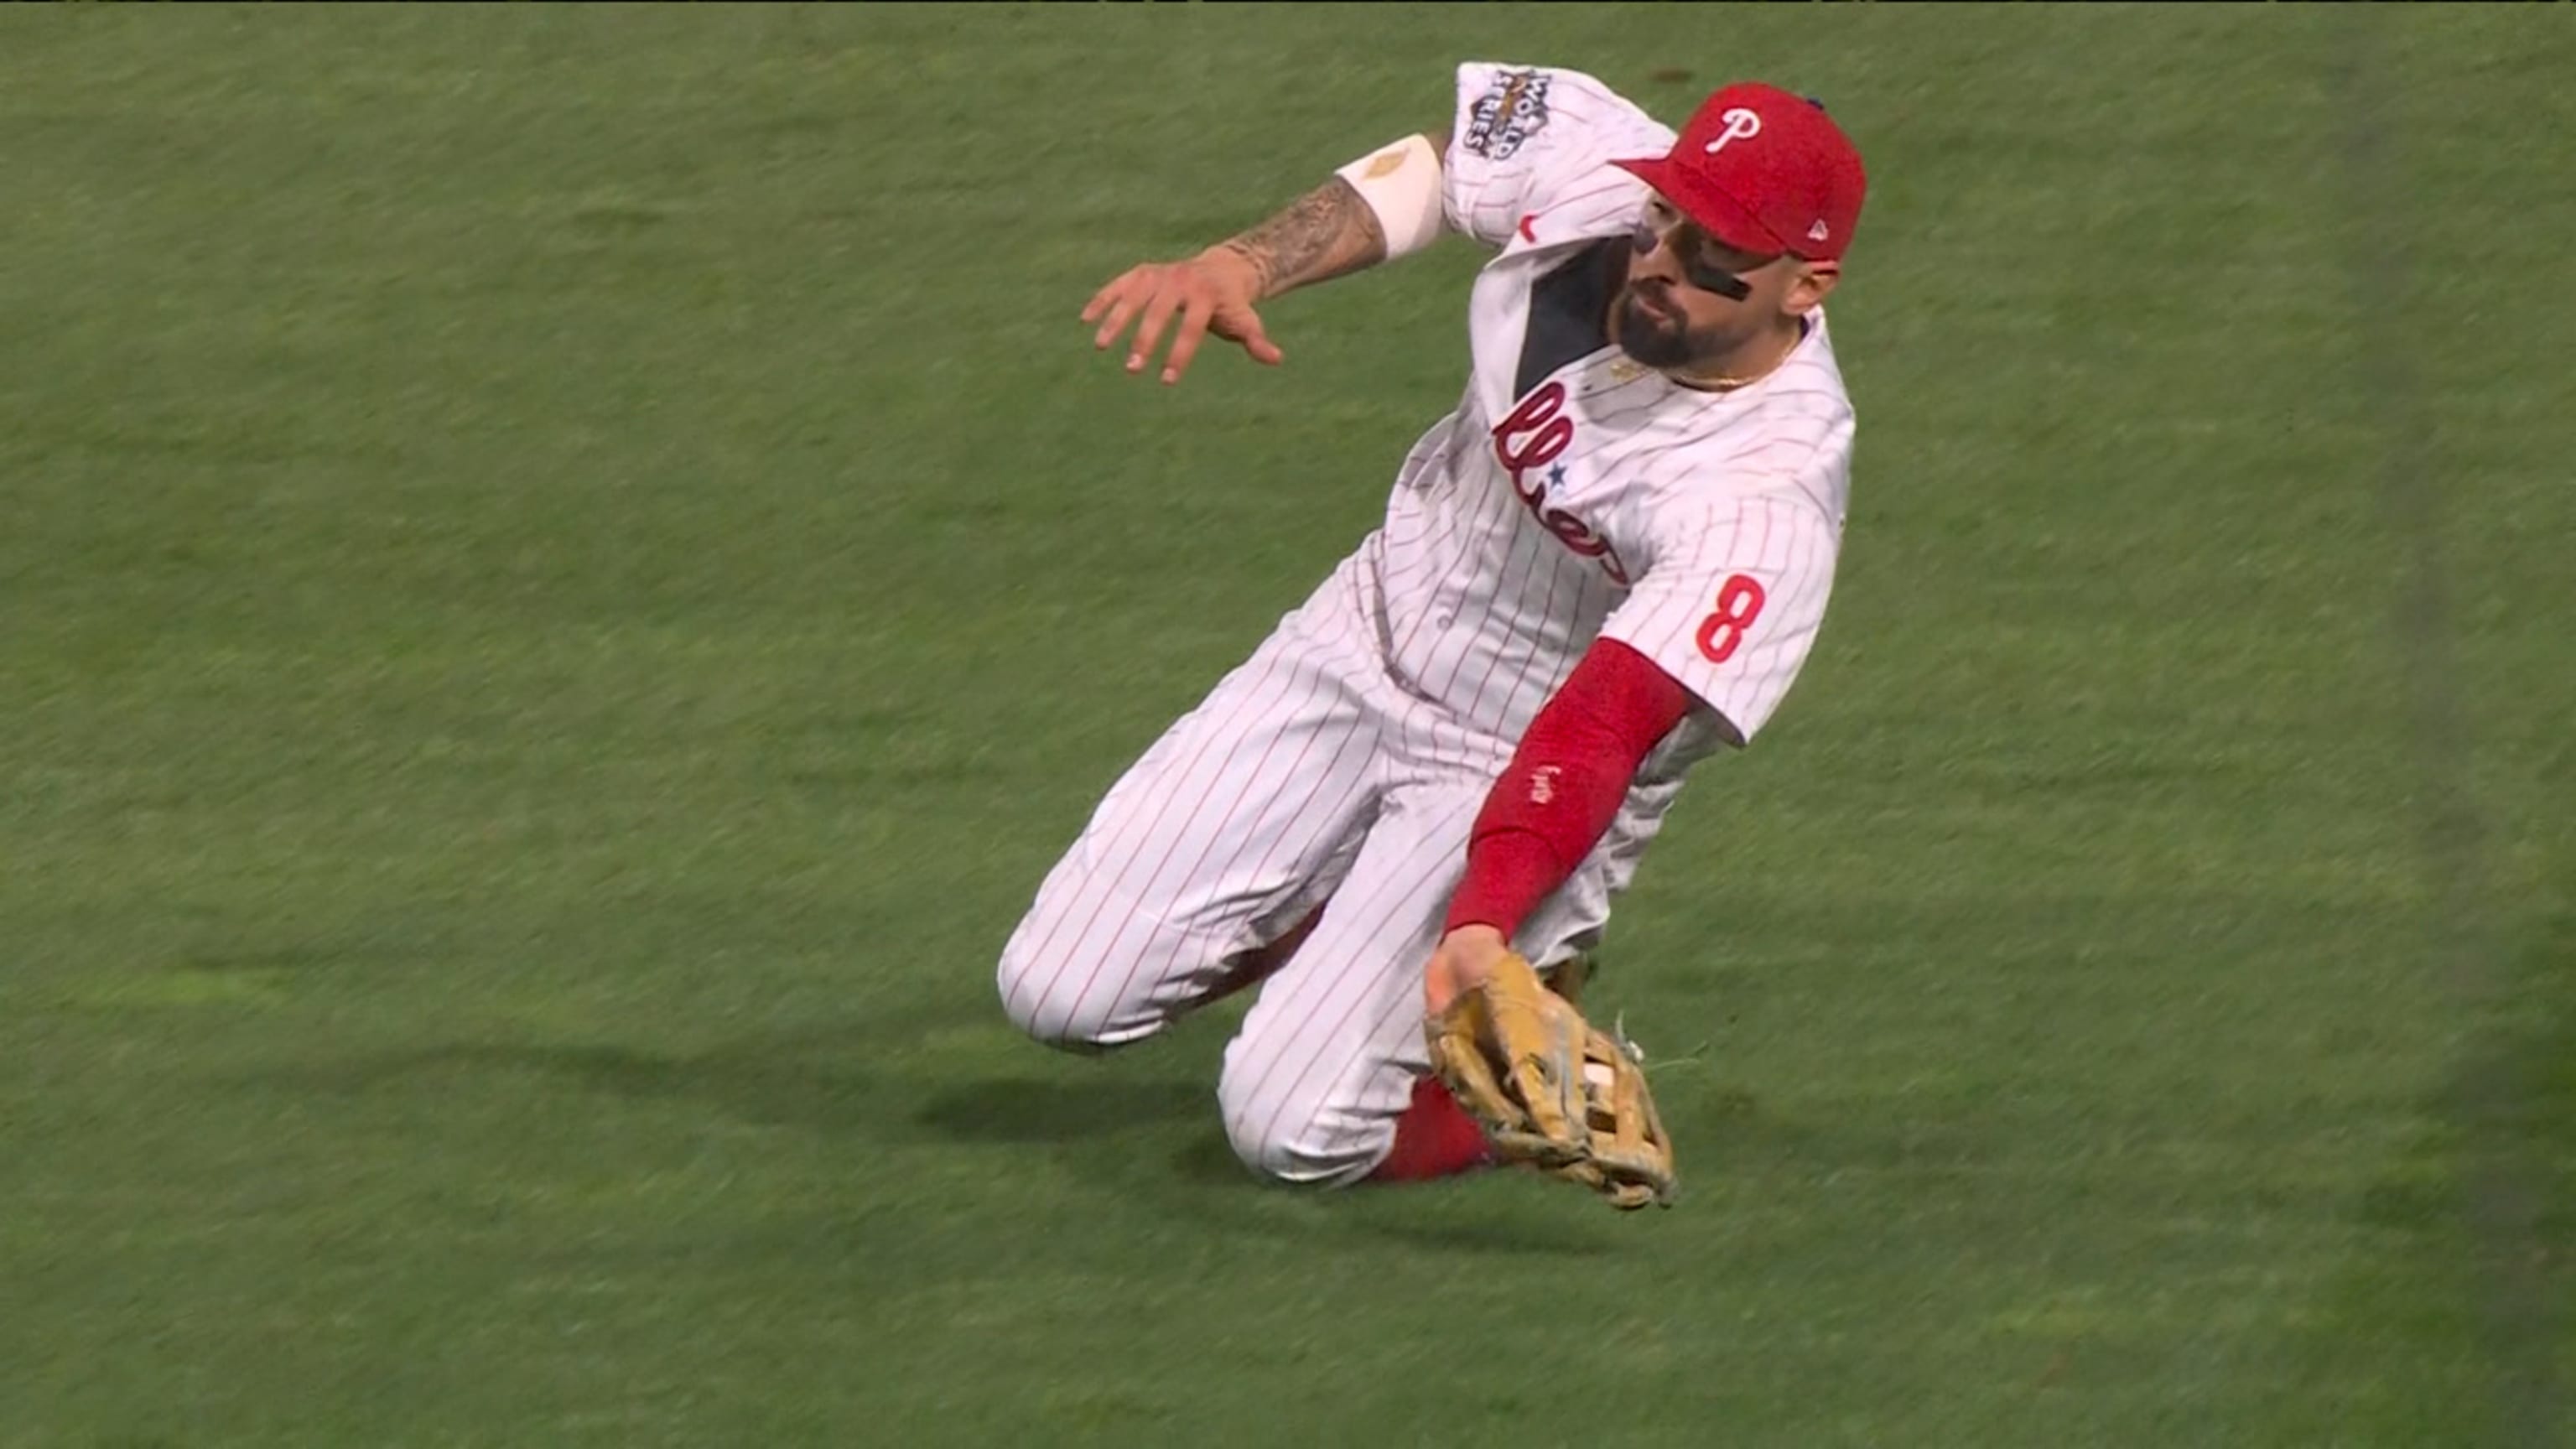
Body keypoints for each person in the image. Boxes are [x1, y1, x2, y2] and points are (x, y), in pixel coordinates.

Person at [997, 62, 1867, 1193]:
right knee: (1060, 995)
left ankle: (1513, 1040)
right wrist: (1239, 263)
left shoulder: (1762, 498)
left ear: (1809, 286)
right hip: (1360, 634)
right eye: (1668, 218)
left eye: (1719, 255)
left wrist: (1484, 924)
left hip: (1518, 753)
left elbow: (1603, 729)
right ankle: (1346, 922)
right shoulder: (1603, 179)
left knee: (1291, 1133)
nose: (1665, 261)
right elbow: (1443, 167)